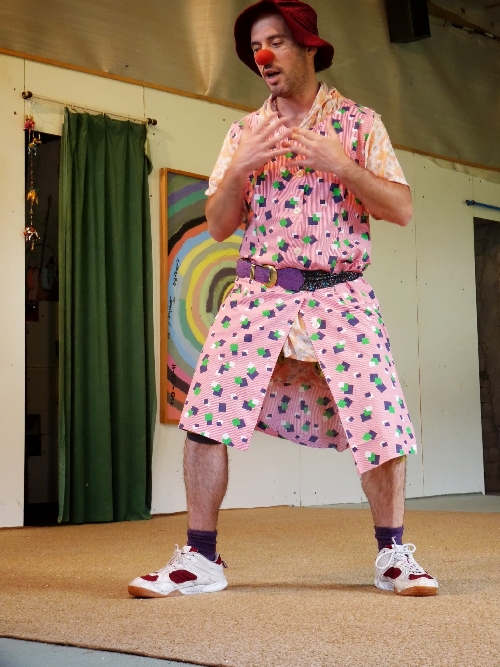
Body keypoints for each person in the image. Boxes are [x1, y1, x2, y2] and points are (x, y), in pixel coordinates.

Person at [129, 0, 438, 599]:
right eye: (254, 48)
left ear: (308, 46)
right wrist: (239, 168)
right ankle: (200, 559)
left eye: (275, 41)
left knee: (380, 420)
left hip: (340, 293)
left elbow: (400, 208)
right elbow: (218, 225)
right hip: (258, 292)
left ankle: (394, 555)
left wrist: (342, 165)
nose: (263, 56)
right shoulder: (244, 132)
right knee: (207, 416)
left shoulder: (358, 123)